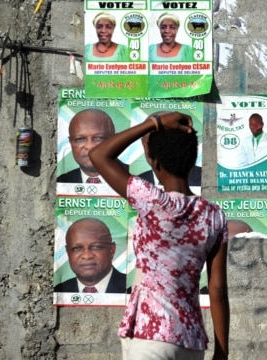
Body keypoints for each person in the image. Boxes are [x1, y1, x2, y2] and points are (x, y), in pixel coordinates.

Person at [88, 111, 229, 360]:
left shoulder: (151, 200)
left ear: (155, 163)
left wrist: (153, 124)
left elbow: (99, 155)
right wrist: (222, 352)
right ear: (192, 159)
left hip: (149, 336)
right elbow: (217, 289)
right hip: (191, 341)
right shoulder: (214, 215)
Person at [55, 218, 129, 294]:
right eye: (77, 248)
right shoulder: (59, 291)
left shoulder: (132, 288)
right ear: (68, 252)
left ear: (111, 250)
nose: (87, 256)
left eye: (96, 247)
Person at [57, 109, 126, 184]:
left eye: (99, 138)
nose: (90, 147)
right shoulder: (62, 181)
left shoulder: (134, 178)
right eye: (80, 139)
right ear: (71, 142)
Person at [137, 132, 202, 187]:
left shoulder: (206, 179)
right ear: (142, 143)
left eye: (158, 143)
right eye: (148, 143)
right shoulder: (138, 183)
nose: (152, 150)